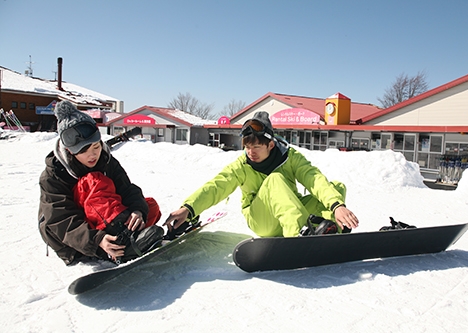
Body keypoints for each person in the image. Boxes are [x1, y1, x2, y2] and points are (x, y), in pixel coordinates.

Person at [164, 111, 359, 237]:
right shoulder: (241, 165)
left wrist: (337, 205)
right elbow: (216, 186)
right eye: (248, 147)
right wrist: (189, 208)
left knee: (335, 188)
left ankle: (332, 231)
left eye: (257, 146)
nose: (251, 152)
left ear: (271, 145)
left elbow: (313, 178)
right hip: (262, 220)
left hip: (289, 214)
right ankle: (300, 236)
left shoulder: (290, 157)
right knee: (275, 179)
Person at [38, 101, 164, 265]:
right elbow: (61, 221)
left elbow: (127, 189)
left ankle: (126, 236)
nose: (93, 155)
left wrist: (138, 211)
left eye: (95, 146)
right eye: (83, 151)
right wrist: (98, 240)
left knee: (149, 206)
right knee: (93, 182)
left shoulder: (106, 160)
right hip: (72, 239)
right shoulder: (52, 177)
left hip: (104, 222)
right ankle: (118, 245)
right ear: (69, 150)